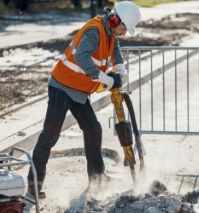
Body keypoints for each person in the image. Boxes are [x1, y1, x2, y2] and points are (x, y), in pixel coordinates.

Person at [27, 1, 141, 198]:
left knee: (93, 129)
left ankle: (97, 178)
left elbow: (118, 61)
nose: (123, 33)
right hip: (61, 87)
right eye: (124, 28)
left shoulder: (111, 35)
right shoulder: (95, 31)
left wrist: (121, 74)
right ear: (115, 20)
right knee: (50, 136)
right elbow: (81, 56)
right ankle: (34, 185)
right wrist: (105, 79)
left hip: (78, 92)